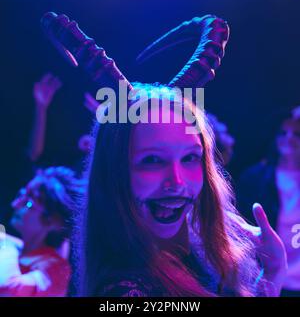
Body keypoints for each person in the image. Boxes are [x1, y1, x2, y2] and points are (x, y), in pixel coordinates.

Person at [77, 83, 287, 297]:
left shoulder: (197, 259)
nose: (178, 182)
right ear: (113, 172)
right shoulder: (125, 292)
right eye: (152, 160)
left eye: (190, 158)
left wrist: (272, 273)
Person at [236, 106, 300, 297]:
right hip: (271, 278)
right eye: (283, 133)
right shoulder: (255, 177)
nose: (289, 138)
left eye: (297, 133)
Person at [0, 166, 84, 297]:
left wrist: (6, 243)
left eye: (28, 202)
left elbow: (9, 290)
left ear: (53, 221)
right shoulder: (14, 250)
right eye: (21, 195)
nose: (15, 204)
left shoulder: (56, 268)